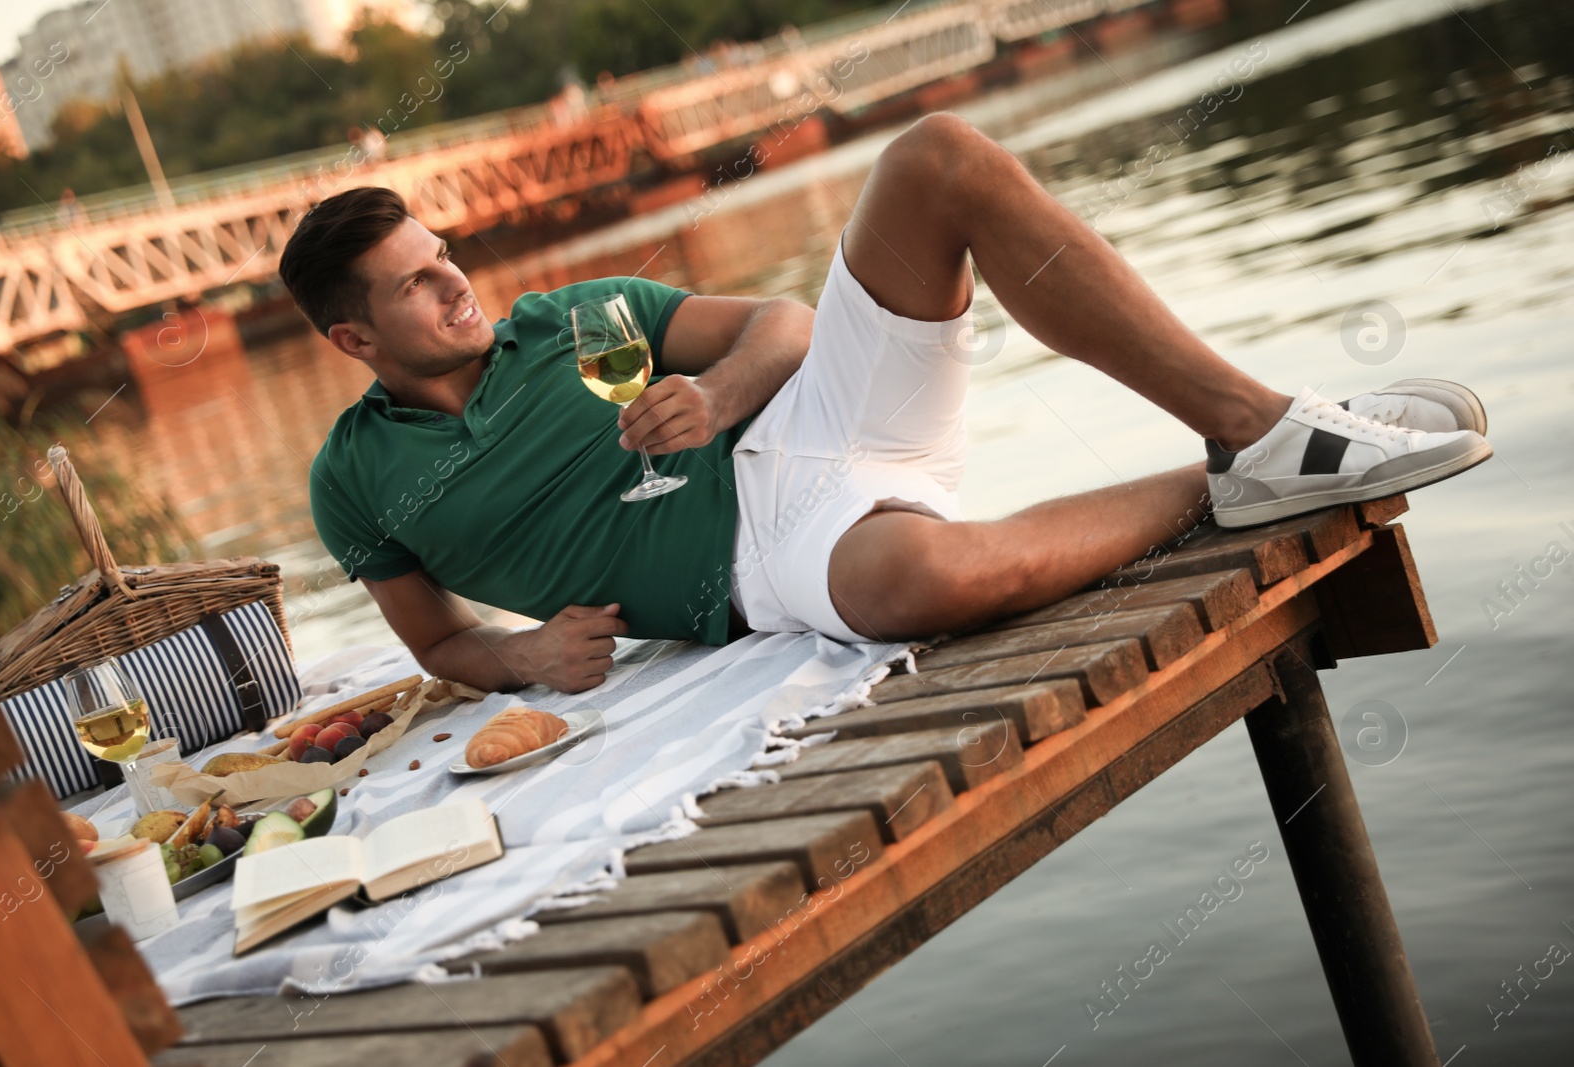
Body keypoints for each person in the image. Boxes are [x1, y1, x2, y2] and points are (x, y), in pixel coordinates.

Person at [277, 113, 1491, 694]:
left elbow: (784, 327)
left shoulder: (566, 318)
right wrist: (526, 651)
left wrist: (718, 390)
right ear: (351, 336)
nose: (459, 284)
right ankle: (1226, 483)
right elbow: (435, 642)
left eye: (447, 258)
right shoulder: (353, 479)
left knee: (935, 160)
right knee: (914, 593)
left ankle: (1259, 423)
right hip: (764, 559)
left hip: (810, 421)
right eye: (419, 285)